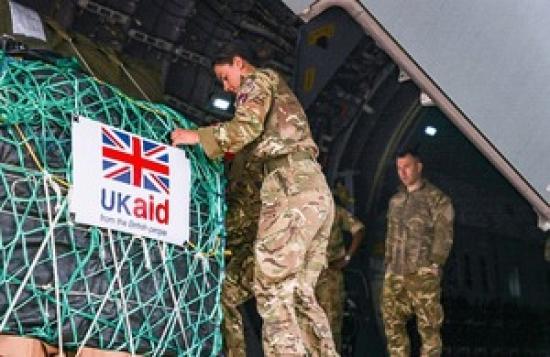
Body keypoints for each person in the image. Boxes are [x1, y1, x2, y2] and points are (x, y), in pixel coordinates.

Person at [171, 40, 338, 357]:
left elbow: (244, 127)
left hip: (290, 185)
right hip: (313, 190)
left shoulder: (258, 80)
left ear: (238, 63)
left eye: (225, 77)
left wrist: (196, 136)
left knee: (271, 286)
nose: (227, 87)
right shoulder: (277, 101)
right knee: (300, 292)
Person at [381, 147, 454, 357]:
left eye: (407, 167)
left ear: (419, 167)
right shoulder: (395, 201)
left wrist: (435, 264)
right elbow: (390, 234)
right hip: (395, 273)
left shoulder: (437, 199)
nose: (402, 173)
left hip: (422, 272)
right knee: (393, 328)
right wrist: (387, 264)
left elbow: (444, 233)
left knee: (429, 330)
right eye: (398, 168)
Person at [221, 144, 262, 357]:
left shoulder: (248, 189)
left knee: (227, 294)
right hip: (252, 254)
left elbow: (237, 222)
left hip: (261, 256)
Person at [315, 196, 365, 353]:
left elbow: (359, 229)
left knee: (331, 327)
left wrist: (347, 257)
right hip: (306, 279)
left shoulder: (333, 210)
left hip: (330, 276)